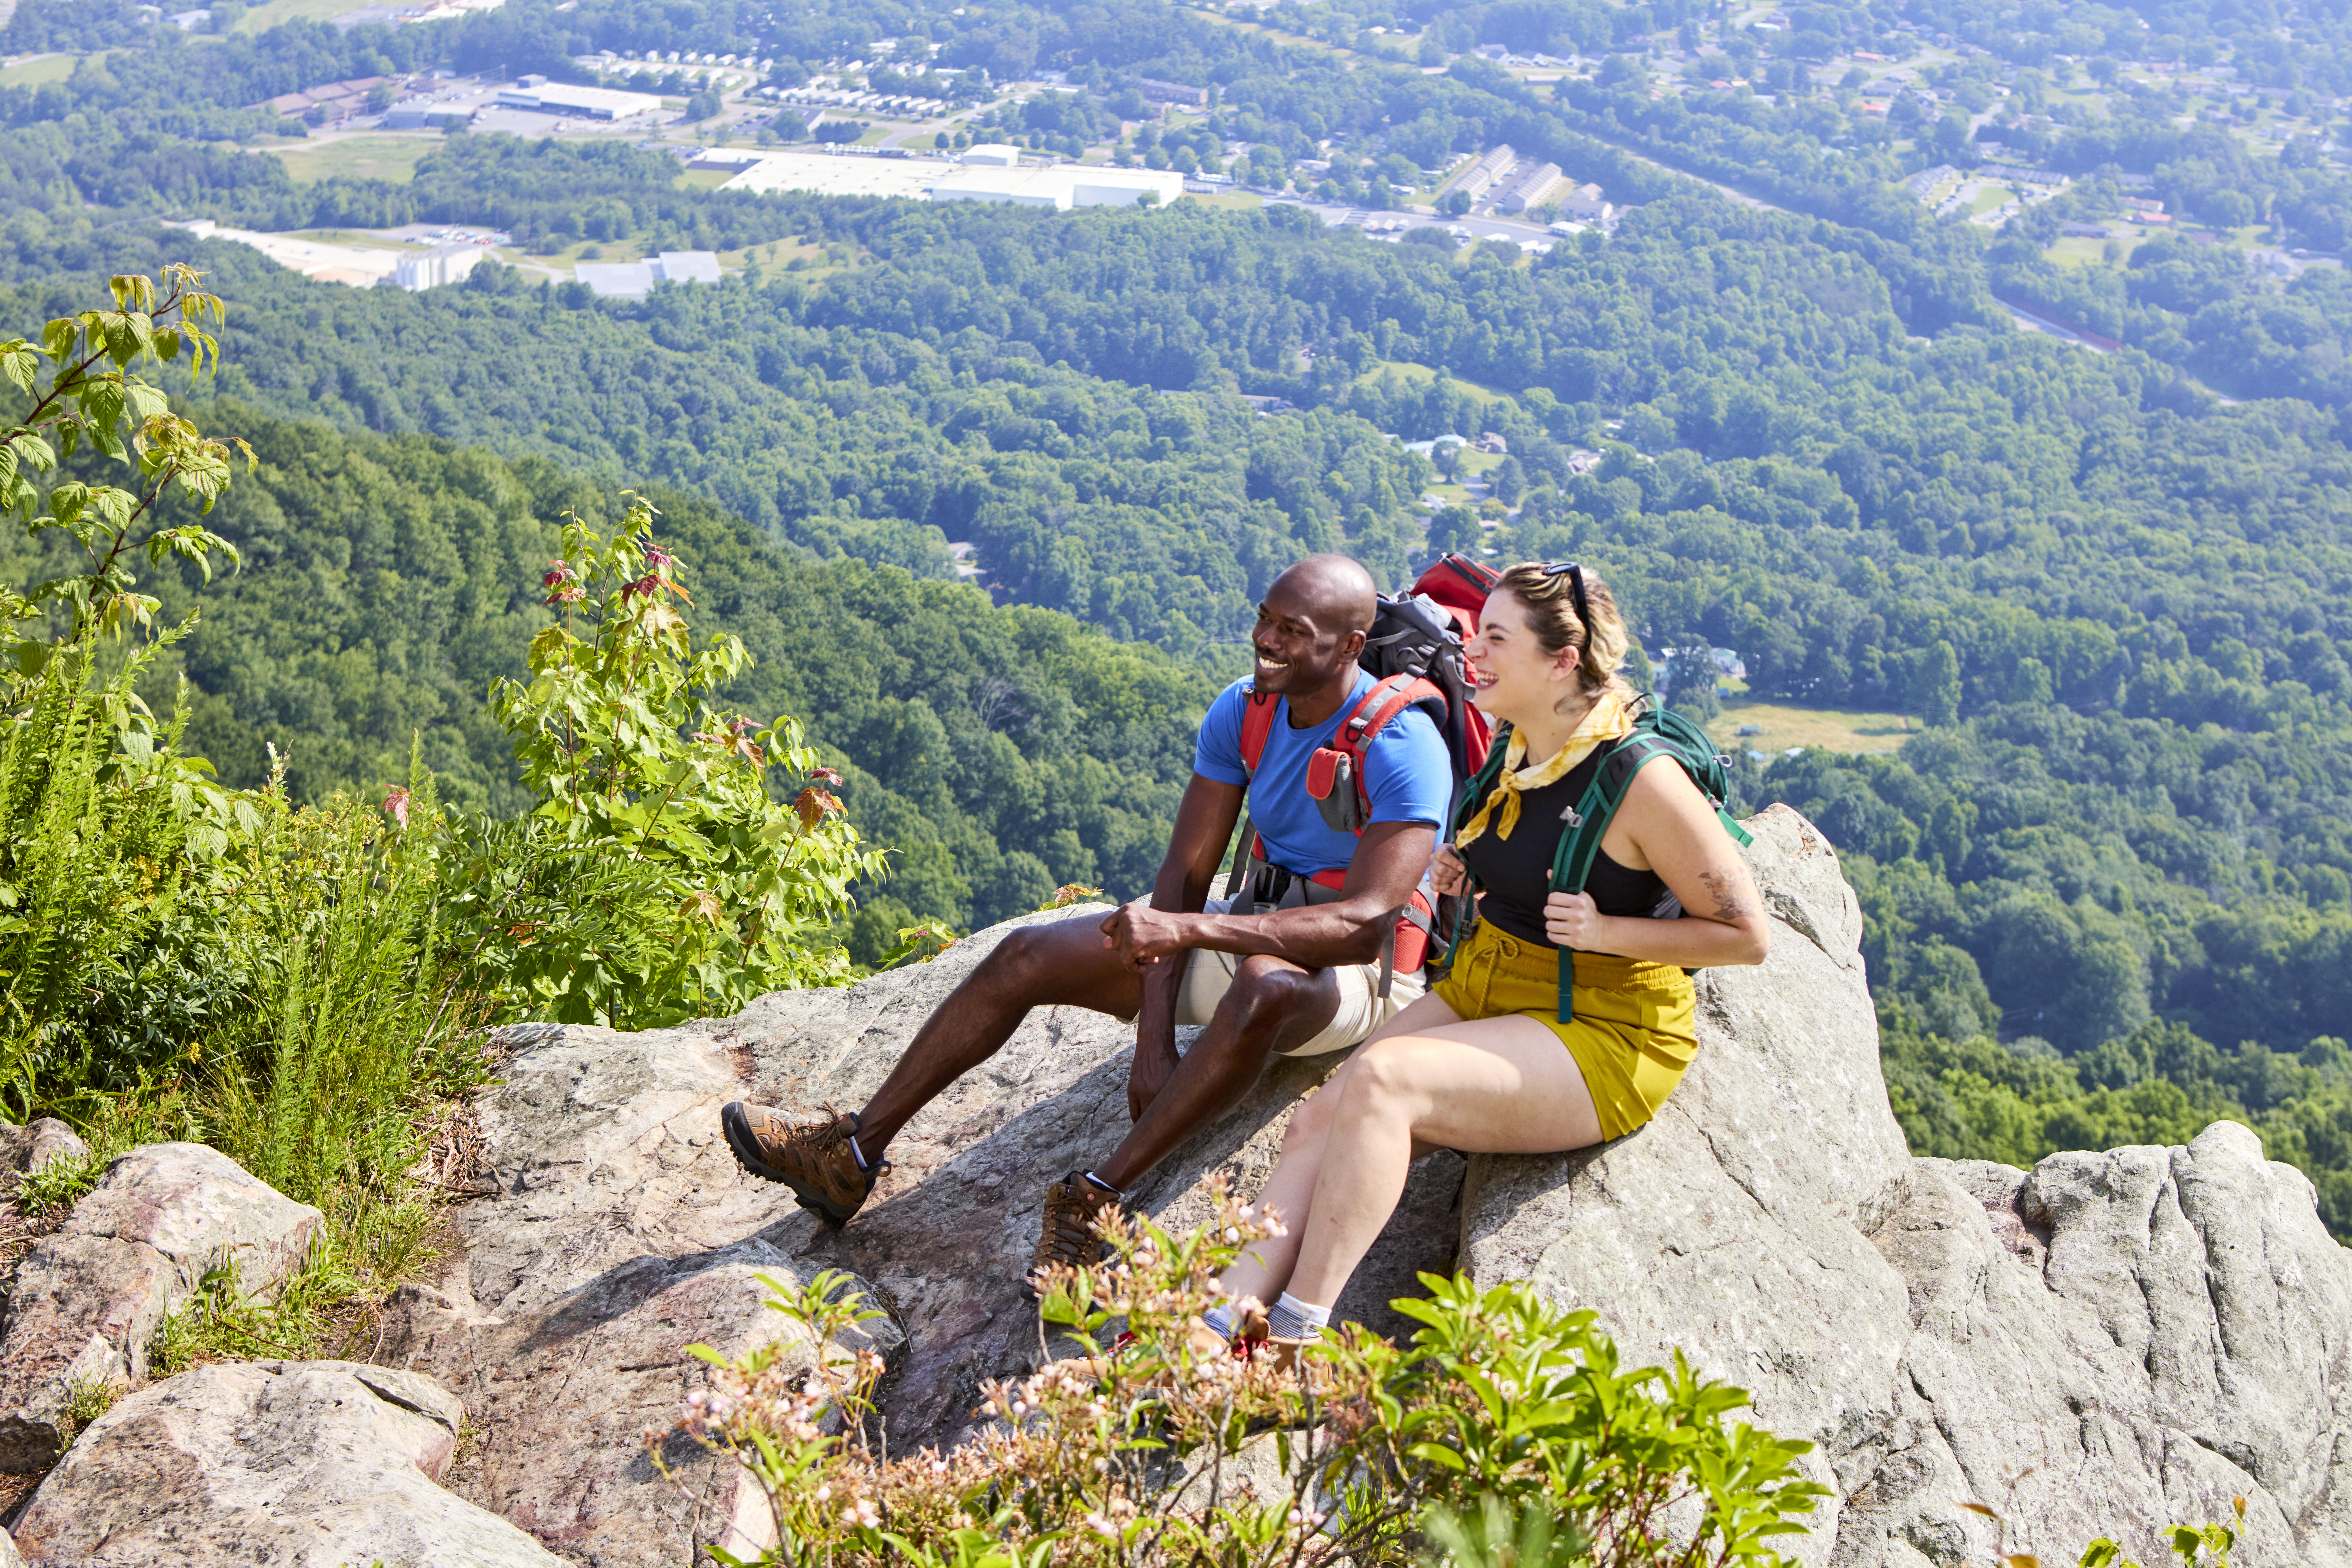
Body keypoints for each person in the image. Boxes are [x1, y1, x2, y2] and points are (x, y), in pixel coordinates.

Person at [718, 555, 1456, 1289]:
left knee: (1264, 985)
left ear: (1352, 646)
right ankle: (852, 1154)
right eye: (1266, 617)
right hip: (1251, 920)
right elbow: (1187, 878)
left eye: (1293, 630)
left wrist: (1194, 933)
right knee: (1025, 954)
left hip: (1360, 977)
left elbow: (1362, 927)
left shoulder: (1402, 741)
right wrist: (1154, 1037)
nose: (1267, 639)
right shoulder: (1246, 707)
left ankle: (1098, 1199)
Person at [1197, 560, 1771, 1357]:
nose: (1474, 651)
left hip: (1604, 1028)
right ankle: (1213, 1323)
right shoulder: (1520, 741)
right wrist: (1469, 868)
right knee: (1324, 1116)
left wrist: (1611, 933)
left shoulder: (1640, 779)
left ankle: (1296, 1340)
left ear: (1562, 661)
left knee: (1384, 1082)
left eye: (1496, 638)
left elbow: (1747, 935)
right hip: (1492, 984)